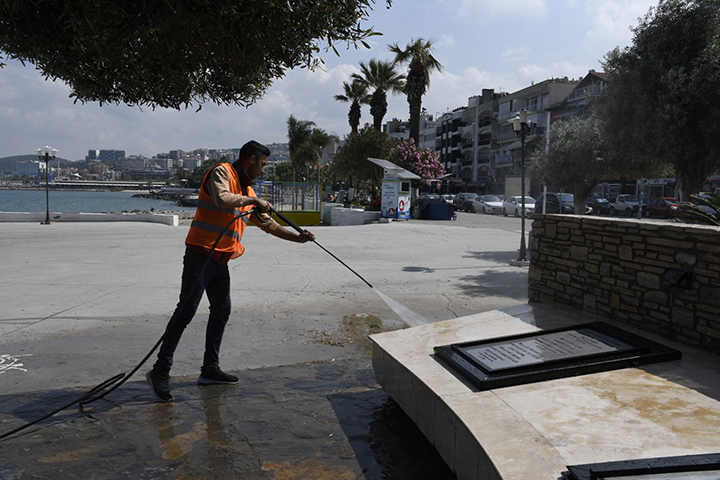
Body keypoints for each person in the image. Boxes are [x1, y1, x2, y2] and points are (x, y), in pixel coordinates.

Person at [147, 140, 315, 402]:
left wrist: (298, 238)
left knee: (222, 310)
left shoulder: (247, 190)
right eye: (262, 164)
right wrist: (254, 199)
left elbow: (268, 225)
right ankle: (160, 370)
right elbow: (221, 198)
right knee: (186, 311)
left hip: (220, 259)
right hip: (200, 254)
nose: (263, 170)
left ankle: (210, 369)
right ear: (251, 160)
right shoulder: (222, 172)